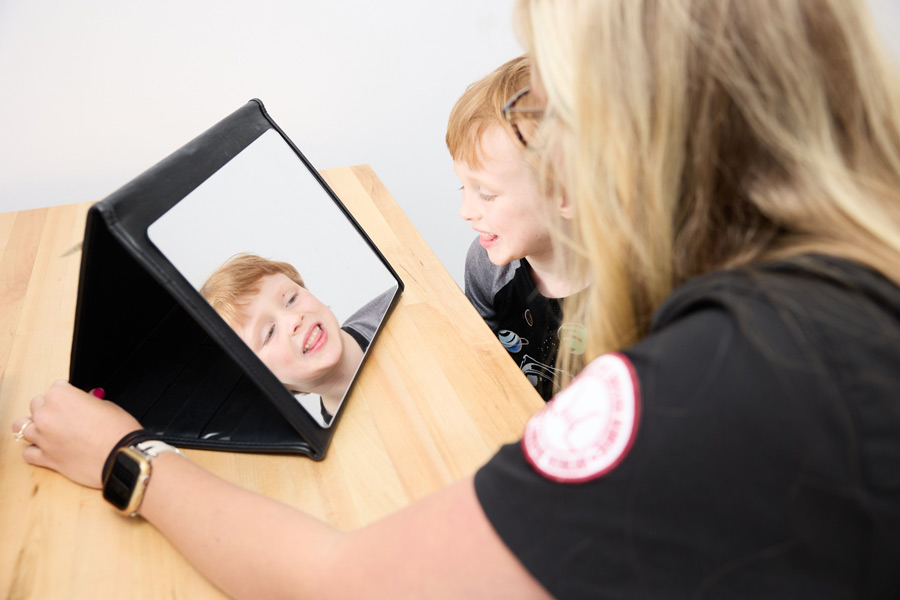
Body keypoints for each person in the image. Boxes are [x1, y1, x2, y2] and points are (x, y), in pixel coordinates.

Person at [13, 0, 900, 597]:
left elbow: (346, 584)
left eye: (559, 108)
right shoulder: (845, 284)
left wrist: (129, 458)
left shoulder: (720, 377)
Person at [447, 55, 586, 400]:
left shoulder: (634, 296)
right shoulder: (486, 264)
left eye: (486, 194)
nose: (465, 211)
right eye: (462, 186)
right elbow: (482, 366)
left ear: (565, 194)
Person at [200, 253, 392, 424]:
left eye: (291, 299)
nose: (294, 320)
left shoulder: (399, 308)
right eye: (269, 333)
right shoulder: (341, 449)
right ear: (263, 380)